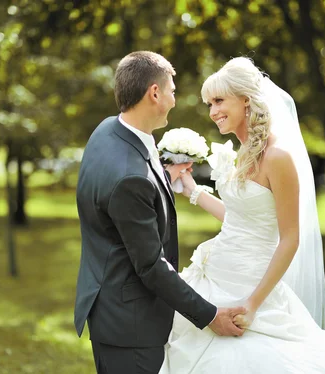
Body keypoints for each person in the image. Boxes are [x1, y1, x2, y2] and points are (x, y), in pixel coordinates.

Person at [160, 57, 325, 373]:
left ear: (246, 100)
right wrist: (192, 192)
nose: (213, 111)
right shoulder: (240, 155)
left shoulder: (278, 158)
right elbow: (241, 219)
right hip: (215, 275)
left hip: (251, 286)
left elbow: (290, 238)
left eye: (219, 101)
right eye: (209, 103)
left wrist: (253, 304)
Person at [74, 51, 246, 374]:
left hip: (108, 304)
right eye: (172, 91)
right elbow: (151, 265)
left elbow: (116, 208)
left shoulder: (110, 132)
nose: (174, 99)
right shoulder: (130, 178)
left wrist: (166, 179)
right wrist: (211, 316)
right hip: (132, 329)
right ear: (154, 93)